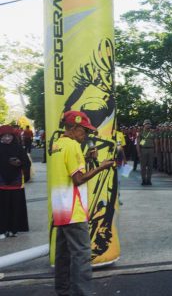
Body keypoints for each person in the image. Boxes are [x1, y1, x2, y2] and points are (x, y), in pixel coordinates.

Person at [49, 111, 114, 295]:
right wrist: (101, 166)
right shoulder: (73, 146)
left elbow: (67, 169)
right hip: (73, 210)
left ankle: (63, 290)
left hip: (60, 208)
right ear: (75, 127)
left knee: (63, 254)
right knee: (82, 255)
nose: (85, 135)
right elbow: (78, 179)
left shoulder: (57, 144)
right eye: (84, 130)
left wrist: (87, 160)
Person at [0, 125, 31, 238]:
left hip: (15, 181)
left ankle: (14, 229)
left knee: (15, 205)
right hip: (2, 182)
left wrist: (19, 163)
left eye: (9, 136)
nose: (7, 138)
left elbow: (27, 162)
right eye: (4, 136)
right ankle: (2, 229)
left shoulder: (18, 148)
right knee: (2, 206)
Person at [137, 120, 156, 186]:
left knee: (150, 166)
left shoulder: (153, 133)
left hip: (151, 150)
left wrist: (155, 151)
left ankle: (149, 180)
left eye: (149, 124)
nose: (148, 125)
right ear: (144, 125)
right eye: (146, 124)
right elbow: (138, 144)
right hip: (143, 150)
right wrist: (138, 152)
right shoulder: (140, 133)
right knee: (143, 167)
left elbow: (155, 143)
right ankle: (143, 180)